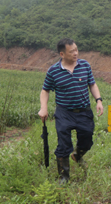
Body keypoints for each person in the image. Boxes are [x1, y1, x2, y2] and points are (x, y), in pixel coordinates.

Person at [38, 38, 104, 185]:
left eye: (76, 49)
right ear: (62, 54)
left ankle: (78, 155)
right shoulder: (53, 71)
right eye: (71, 51)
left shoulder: (85, 65)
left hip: (84, 111)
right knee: (63, 144)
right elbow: (45, 90)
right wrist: (44, 107)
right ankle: (64, 177)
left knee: (87, 139)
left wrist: (98, 100)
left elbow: (92, 84)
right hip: (64, 113)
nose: (75, 53)